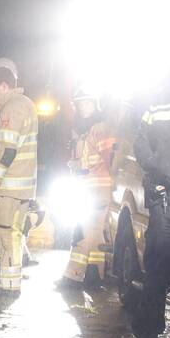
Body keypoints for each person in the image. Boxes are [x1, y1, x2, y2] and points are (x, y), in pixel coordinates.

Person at [0, 58, 38, 297]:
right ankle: (10, 280)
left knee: (4, 232)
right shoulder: (26, 104)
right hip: (23, 186)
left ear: (4, 86)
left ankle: (7, 284)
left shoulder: (12, 108)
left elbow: (7, 151)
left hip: (8, 185)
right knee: (14, 234)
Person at [129, 99, 170, 338]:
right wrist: (159, 171)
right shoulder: (159, 106)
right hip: (166, 202)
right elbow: (141, 144)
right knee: (157, 275)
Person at [60, 89, 116, 288]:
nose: (83, 108)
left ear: (95, 104)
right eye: (80, 104)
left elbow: (107, 157)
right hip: (89, 187)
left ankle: (73, 276)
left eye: (87, 103)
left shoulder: (99, 128)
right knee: (95, 231)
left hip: (98, 187)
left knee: (84, 232)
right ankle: (94, 273)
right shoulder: (85, 129)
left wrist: (78, 164)